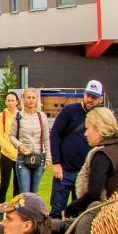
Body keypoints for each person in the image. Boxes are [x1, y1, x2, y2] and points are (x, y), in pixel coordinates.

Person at [48, 81, 103, 216]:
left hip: (85, 173)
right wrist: (56, 163)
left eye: (94, 97)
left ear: (100, 99)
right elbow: (55, 134)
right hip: (64, 170)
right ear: (84, 95)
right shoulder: (69, 111)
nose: (90, 99)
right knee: (57, 211)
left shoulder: (101, 117)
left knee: (80, 214)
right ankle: (53, 231)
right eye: (88, 95)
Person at [72, 106, 118, 209]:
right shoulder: (115, 150)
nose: (85, 134)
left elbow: (93, 195)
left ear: (98, 129)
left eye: (87, 129)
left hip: (109, 214)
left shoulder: (102, 155)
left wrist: (69, 210)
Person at [11, 89, 48, 195]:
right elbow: (12, 136)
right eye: (28, 97)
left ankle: (34, 207)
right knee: (25, 193)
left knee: (35, 193)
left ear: (37, 100)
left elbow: (46, 138)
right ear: (23, 99)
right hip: (23, 158)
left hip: (39, 157)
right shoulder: (18, 116)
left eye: (33, 98)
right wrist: (19, 145)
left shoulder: (42, 116)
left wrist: (48, 158)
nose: (31, 100)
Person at [0, 90, 23, 194]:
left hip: (19, 154)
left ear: (17, 102)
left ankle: (15, 204)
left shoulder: (21, 115)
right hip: (6, 154)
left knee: (18, 184)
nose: (10, 102)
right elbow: (0, 136)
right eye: (8, 100)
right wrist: (9, 149)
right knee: (4, 183)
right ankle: (0, 203)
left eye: (12, 100)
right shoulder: (2, 115)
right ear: (5, 102)